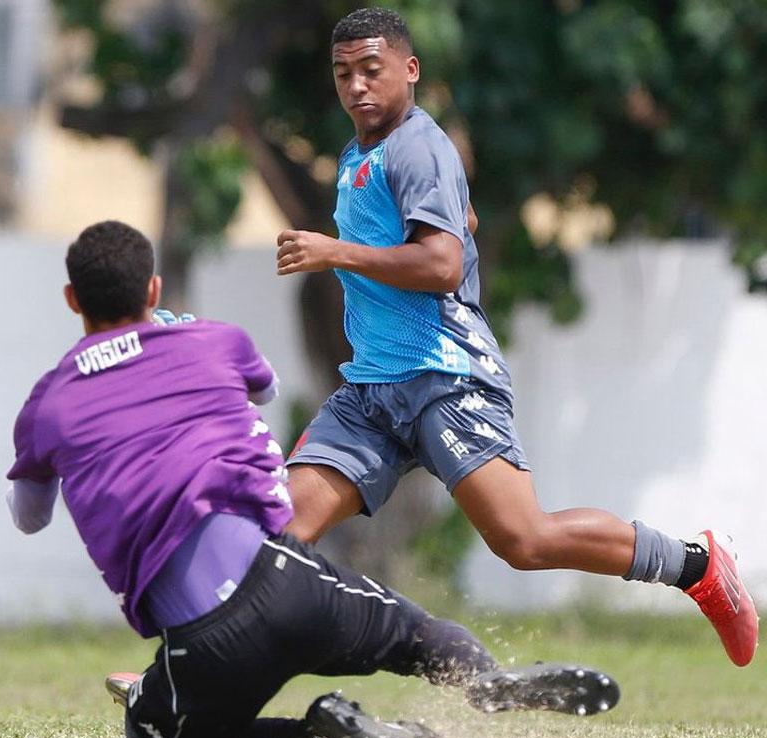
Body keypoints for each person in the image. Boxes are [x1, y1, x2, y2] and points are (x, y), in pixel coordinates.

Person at [6, 221, 620, 738]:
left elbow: (29, 518)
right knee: (414, 636)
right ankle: (484, 677)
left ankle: (325, 736)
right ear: (154, 292)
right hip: (287, 577)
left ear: (71, 300)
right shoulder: (213, 341)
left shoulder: (51, 401)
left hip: (205, 644)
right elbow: (263, 389)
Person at [275, 7, 758, 667]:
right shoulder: (362, 154)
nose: (357, 86)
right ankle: (188, 674)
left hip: (446, 378)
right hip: (373, 391)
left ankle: (696, 566)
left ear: (409, 70)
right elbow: (451, 220)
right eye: (343, 73)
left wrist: (338, 252)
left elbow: (440, 264)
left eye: (371, 69)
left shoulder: (418, 142)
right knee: (275, 530)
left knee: (525, 542)